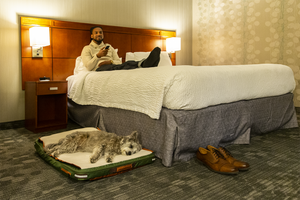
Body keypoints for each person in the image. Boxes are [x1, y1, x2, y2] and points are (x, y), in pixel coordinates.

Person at [81, 26, 161, 72]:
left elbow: (119, 62)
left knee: (125, 64)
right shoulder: (87, 49)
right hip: (99, 69)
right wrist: (98, 56)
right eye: (96, 33)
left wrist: (110, 61)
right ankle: (143, 64)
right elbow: (88, 67)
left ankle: (144, 63)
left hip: (112, 66)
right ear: (91, 36)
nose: (99, 34)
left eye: (101, 32)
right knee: (119, 67)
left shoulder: (109, 46)